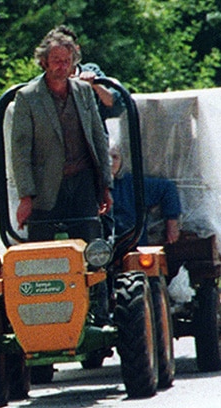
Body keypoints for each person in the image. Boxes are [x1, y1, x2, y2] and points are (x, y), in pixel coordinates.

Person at [12, 26, 114, 242]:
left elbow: (99, 140)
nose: (62, 65)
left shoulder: (84, 92)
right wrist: (26, 197)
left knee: (92, 246)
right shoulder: (27, 97)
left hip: (83, 182)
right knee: (43, 251)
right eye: (56, 60)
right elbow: (21, 151)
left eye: (67, 60)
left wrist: (105, 186)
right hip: (46, 188)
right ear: (44, 62)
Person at [109, 144, 182, 245]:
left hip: (132, 249)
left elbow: (167, 188)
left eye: (115, 157)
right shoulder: (87, 187)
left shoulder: (132, 184)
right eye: (106, 157)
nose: (110, 163)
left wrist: (172, 223)